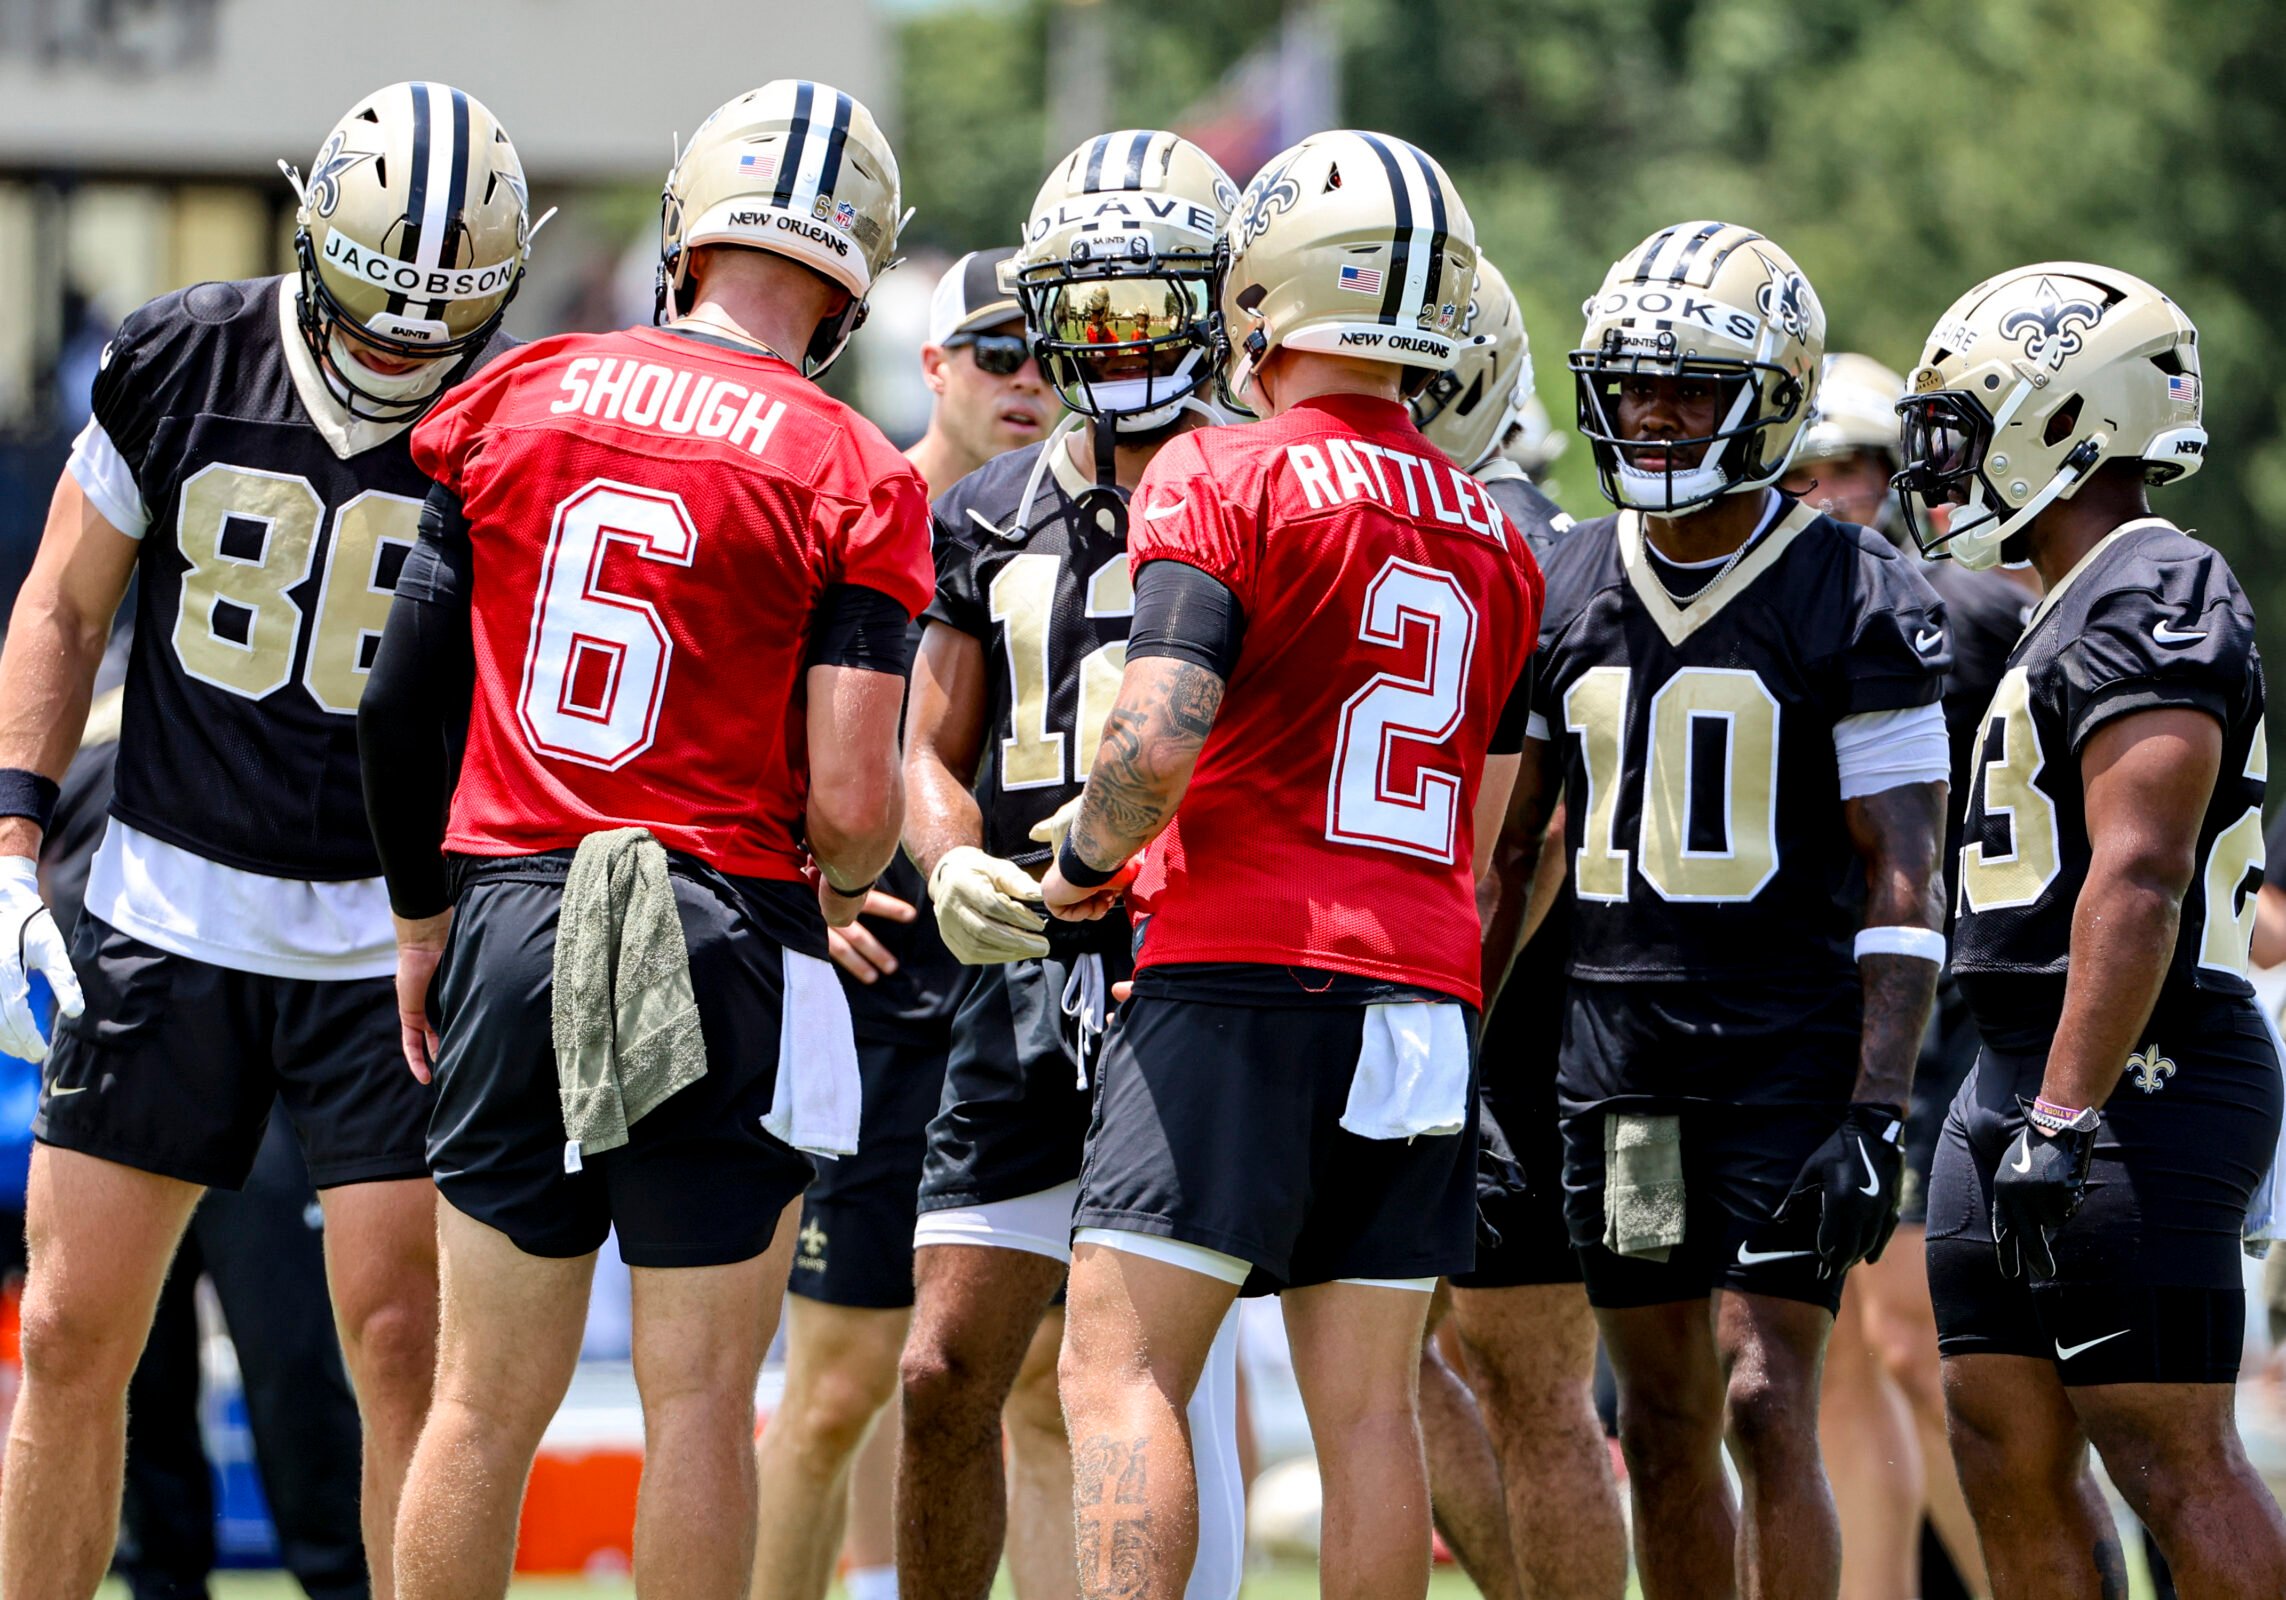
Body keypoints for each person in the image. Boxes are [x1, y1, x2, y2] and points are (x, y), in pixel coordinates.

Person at [356, 80, 931, 1598]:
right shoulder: (853, 470)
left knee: (482, 1403)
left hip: (516, 908)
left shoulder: (522, 392)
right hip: (716, 917)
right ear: (855, 264)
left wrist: (426, 921)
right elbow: (857, 803)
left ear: (690, 225)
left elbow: (395, 706)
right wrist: (845, 887)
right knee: (696, 1411)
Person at [0, 81, 533, 1600]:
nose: (395, 346)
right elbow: (61, 601)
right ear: (314, 243)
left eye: (441, 314)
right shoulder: (184, 353)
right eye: (374, 300)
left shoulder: (509, 413)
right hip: (167, 903)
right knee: (68, 1330)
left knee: (402, 1345)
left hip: (394, 936)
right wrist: (7, 842)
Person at [1042, 130, 1541, 1600]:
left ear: (1260, 290)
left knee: (1114, 1369)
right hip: (1420, 994)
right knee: (1369, 1409)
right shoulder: (1498, 535)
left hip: (1243, 976)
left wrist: (1076, 866)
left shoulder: (1216, 469)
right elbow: (1490, 811)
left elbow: (1156, 729)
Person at [1478, 223, 1953, 1600]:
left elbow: (1899, 865)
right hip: (1617, 1068)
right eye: (1632, 384)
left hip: (1783, 1056)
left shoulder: (1853, 586)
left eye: (1689, 385)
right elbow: (1512, 853)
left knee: (1761, 1394)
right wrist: (1448, 1039)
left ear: (1773, 398)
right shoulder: (1560, 578)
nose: (1652, 412)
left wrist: (1875, 1106)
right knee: (1666, 1413)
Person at [1900, 261, 2286, 1598]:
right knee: (1998, 1445)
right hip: (2012, 1061)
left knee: (2167, 1454)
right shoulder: (2051, 600)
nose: (1938, 456)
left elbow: (2138, 870)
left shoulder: (2155, 582)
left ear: (2063, 417)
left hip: (2136, 1071)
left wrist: (2060, 1118)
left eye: (1965, 418)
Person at [899, 130, 1246, 1600]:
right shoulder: (981, 512)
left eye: (1144, 303)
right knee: (939, 1371)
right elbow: (929, 745)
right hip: (1023, 964)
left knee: (1162, 1373)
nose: (1108, 340)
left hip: (1192, 958)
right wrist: (945, 863)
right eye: (1083, 304)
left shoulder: (1249, 486)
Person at [752, 248, 1050, 1600]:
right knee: (836, 1385)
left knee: (1034, 1377)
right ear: (932, 366)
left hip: (1033, 994)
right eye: (999, 352)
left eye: (1052, 352)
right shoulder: (856, 502)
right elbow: (754, 722)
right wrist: (797, 890)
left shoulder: (1092, 518)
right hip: (878, 994)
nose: (1031, 380)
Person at [1787, 353, 2011, 1600]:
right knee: (1838, 1360)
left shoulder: (1959, 611)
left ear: (1900, 472)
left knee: (1922, 1347)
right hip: (1822, 1006)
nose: (1827, 494)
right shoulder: (1772, 603)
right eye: (1805, 470)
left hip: (1945, 1006)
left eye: (1853, 468)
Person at [1421, 258, 1628, 1600]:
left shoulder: (1474, 538)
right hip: (1555, 1007)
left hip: (1491, 1010)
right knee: (1473, 1371)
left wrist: (1456, 1005)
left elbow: (1530, 833)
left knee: (1510, 1379)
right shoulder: (1562, 540)